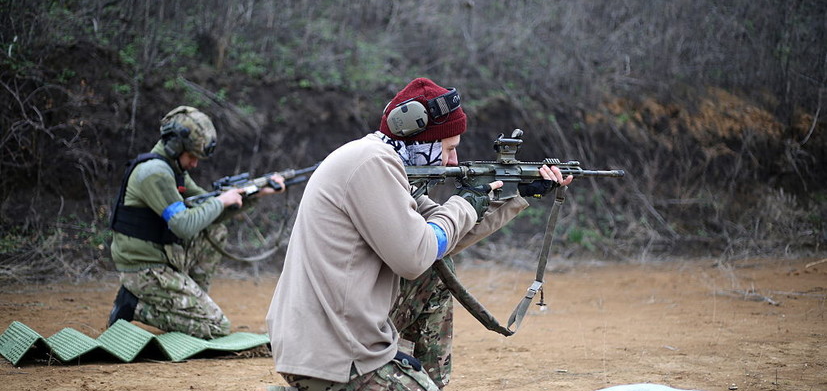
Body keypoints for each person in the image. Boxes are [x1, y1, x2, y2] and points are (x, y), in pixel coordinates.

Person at [265, 78, 573, 390]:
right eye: (448, 148)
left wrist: (519, 197)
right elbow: (416, 255)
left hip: (334, 337)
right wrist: (464, 204)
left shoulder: (384, 164)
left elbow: (442, 237)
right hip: (330, 353)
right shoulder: (372, 162)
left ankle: (418, 378)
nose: (452, 160)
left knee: (438, 272)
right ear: (419, 138)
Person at [107, 105, 285, 339]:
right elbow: (183, 225)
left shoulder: (172, 170)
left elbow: (209, 213)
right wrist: (222, 201)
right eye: (192, 156)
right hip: (144, 269)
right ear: (175, 146)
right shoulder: (154, 173)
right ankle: (133, 306)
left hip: (162, 260)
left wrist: (256, 194)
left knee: (217, 229)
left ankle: (190, 305)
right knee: (216, 327)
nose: (194, 164)